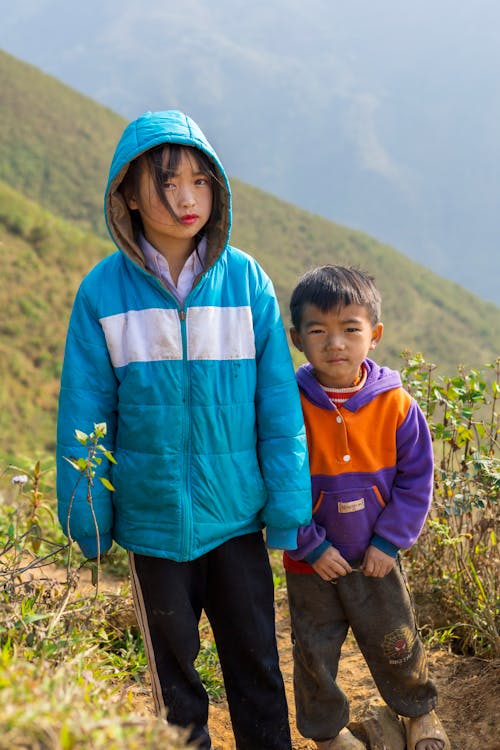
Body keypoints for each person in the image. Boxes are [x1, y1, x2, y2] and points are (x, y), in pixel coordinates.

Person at [56, 109, 312, 750]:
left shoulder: (246, 281)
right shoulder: (102, 293)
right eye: (167, 183)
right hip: (153, 521)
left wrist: (287, 508)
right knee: (174, 682)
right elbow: (84, 411)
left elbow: (278, 407)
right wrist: (88, 513)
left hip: (235, 516)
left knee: (256, 665)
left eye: (199, 181)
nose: (186, 198)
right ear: (129, 195)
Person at [284, 266, 450, 750]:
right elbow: (277, 478)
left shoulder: (396, 405)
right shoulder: (289, 405)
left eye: (350, 329)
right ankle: (328, 733)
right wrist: (309, 545)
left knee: (396, 640)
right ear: (297, 338)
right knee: (314, 652)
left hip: (376, 559)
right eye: (318, 331)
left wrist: (389, 541)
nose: (335, 343)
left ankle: (418, 713)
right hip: (310, 563)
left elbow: (417, 478)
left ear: (373, 335)